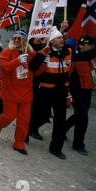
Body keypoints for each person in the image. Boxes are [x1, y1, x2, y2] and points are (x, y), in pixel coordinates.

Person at [28, 26, 72, 159]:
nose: (61, 39)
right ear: (51, 41)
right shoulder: (44, 52)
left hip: (61, 91)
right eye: (58, 38)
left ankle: (56, 148)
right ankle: (29, 129)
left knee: (60, 121)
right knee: (41, 115)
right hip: (46, 90)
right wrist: (43, 55)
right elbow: (33, 67)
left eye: (61, 37)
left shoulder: (68, 51)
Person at [0, 30, 36, 154]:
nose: (16, 40)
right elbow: (4, 69)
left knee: (24, 120)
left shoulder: (30, 53)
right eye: (15, 38)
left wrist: (42, 59)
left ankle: (19, 143)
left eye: (20, 38)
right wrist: (17, 61)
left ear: (25, 40)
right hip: (10, 91)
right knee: (9, 116)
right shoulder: (6, 52)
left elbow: (38, 70)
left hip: (26, 93)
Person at [64, 36, 96, 155]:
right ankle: (78, 144)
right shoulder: (76, 55)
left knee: (79, 115)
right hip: (76, 90)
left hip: (87, 90)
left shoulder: (91, 56)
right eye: (89, 44)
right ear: (81, 45)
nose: (92, 47)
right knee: (82, 118)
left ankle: (62, 130)